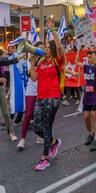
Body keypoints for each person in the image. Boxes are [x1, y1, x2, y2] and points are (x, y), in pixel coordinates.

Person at [30, 19, 65, 171]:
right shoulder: (42, 62)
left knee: (45, 126)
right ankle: (54, 142)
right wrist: (33, 62)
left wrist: (52, 30)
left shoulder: (57, 60)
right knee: (36, 126)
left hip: (53, 96)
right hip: (41, 97)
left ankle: (45, 158)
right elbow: (34, 78)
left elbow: (59, 47)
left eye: (47, 47)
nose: (45, 49)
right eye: (44, 47)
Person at [17, 41, 45, 151]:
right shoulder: (31, 59)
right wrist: (34, 61)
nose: (42, 50)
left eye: (43, 48)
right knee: (28, 114)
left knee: (41, 114)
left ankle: (40, 135)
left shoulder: (46, 59)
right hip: (31, 89)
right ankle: (22, 140)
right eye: (40, 49)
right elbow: (31, 75)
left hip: (42, 88)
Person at [75, 48, 96, 151]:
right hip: (87, 95)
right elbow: (77, 62)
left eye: (90, 57)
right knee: (86, 117)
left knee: (95, 116)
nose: (89, 58)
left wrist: (93, 52)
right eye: (88, 57)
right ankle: (91, 133)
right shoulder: (86, 66)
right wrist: (78, 51)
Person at [0, 49, 25, 142]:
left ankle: (11, 133)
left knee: (6, 113)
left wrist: (19, 56)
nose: (4, 55)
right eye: (3, 54)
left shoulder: (1, 60)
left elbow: (9, 61)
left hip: (0, 89)